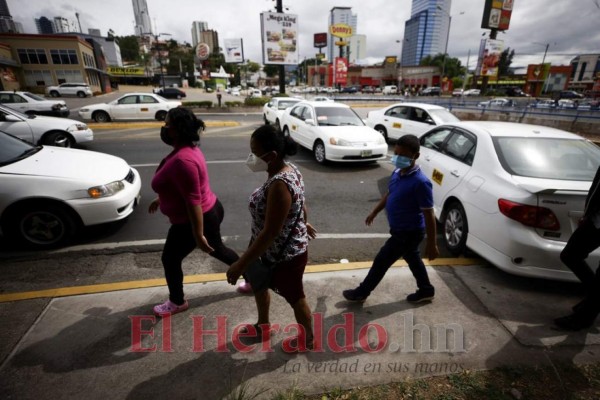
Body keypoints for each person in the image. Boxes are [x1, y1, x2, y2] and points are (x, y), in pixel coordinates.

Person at [226, 125, 317, 351]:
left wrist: (240, 263)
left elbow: (271, 232)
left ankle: (308, 340)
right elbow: (300, 202)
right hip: (262, 249)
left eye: (255, 152)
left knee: (296, 297)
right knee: (259, 285)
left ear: (272, 155)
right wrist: (302, 221)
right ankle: (263, 325)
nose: (251, 156)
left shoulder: (279, 185)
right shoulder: (289, 170)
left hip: (284, 255)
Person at [149, 107, 240, 317]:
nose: (164, 128)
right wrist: (161, 197)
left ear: (177, 130)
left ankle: (177, 302)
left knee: (171, 259)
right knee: (218, 249)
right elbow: (183, 187)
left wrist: (198, 235)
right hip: (207, 210)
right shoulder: (187, 150)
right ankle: (255, 277)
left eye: (167, 124)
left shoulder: (183, 160)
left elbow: (192, 200)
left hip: (195, 219)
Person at [343, 134, 439, 303]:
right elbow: (390, 193)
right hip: (400, 229)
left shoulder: (421, 183)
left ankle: (362, 292)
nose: (398, 158)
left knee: (382, 260)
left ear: (415, 156)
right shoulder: (397, 172)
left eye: (403, 155)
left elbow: (429, 214)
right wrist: (375, 211)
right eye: (396, 154)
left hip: (408, 232)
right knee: (412, 258)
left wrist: (432, 244)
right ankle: (426, 289)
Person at [554, 165, 600, 330]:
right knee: (570, 255)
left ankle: (585, 316)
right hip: (595, 220)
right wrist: (588, 214)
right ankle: (594, 301)